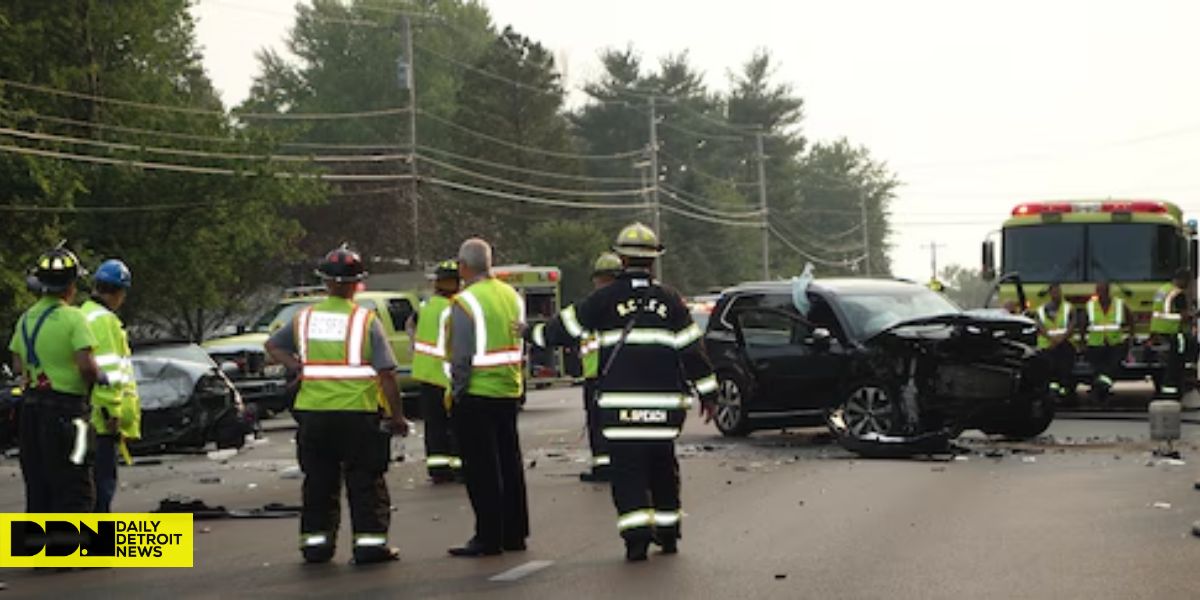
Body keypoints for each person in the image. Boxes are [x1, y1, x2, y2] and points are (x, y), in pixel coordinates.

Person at [523, 223, 718, 562]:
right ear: (654, 261)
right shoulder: (670, 300)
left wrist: (530, 333)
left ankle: (637, 540)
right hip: (664, 409)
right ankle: (669, 533)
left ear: (621, 259)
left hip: (620, 409)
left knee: (628, 471)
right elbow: (693, 352)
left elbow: (563, 330)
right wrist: (709, 395)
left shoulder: (605, 298)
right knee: (662, 466)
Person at [265, 245, 410, 565]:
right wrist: (397, 416)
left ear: (325, 282)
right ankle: (370, 546)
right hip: (358, 415)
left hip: (314, 414)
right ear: (357, 283)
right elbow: (386, 374)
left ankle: (316, 546)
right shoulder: (365, 320)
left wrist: (297, 367)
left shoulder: (306, 318)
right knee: (365, 483)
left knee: (318, 482)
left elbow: (272, 345)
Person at [446, 238, 529, 557]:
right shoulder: (511, 296)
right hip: (509, 389)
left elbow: (462, 356)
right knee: (510, 464)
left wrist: (457, 392)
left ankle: (488, 536)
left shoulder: (465, 302)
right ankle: (514, 533)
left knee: (482, 470)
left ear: (463, 266)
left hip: (477, 394)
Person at [7, 244, 103, 513]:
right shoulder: (74, 318)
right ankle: (70, 552)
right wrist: (97, 378)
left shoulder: (26, 319)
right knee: (76, 490)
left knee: (39, 490)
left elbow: (17, 364)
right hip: (69, 416)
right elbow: (86, 367)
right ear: (71, 285)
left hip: (31, 415)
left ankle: (39, 552)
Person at [81, 259, 141, 512]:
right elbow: (106, 371)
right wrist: (112, 413)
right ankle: (99, 545)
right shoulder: (104, 321)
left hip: (83, 417)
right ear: (118, 292)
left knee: (84, 486)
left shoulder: (82, 314)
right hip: (102, 421)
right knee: (101, 487)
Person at [409, 259, 462, 484]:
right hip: (447, 376)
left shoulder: (425, 306)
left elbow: (411, 328)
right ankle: (460, 468)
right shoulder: (456, 309)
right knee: (457, 425)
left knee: (434, 426)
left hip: (426, 375)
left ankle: (438, 469)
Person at [577, 252, 622, 483]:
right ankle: (612, 465)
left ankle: (603, 467)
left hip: (599, 376)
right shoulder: (617, 306)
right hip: (608, 374)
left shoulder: (595, 307)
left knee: (599, 423)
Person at [1081, 281, 1133, 404]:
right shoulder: (1090, 305)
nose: (1100, 294)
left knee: (1113, 367)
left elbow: (1131, 319)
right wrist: (1083, 342)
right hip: (1095, 344)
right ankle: (1101, 391)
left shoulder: (1119, 304)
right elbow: (1083, 324)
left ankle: (1097, 389)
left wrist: (1131, 336)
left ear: (1108, 291)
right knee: (1099, 369)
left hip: (1116, 343)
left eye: (1102, 291)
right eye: (1098, 291)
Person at [1150, 268, 1193, 400]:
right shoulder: (1178, 294)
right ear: (1182, 280)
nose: (1188, 284)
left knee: (1166, 364)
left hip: (1159, 331)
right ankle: (1172, 392)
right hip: (1174, 332)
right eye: (1187, 281)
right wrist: (1194, 315)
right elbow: (1184, 316)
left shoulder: (1163, 289)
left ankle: (1165, 390)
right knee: (1176, 364)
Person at [1035, 283, 1076, 402]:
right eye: (1053, 292)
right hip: (1047, 347)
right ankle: (1052, 392)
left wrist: (1061, 339)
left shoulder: (1069, 308)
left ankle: (1064, 392)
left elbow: (1072, 325)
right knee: (1049, 368)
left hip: (1065, 345)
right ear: (1049, 294)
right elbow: (1040, 327)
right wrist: (1051, 339)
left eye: (1058, 291)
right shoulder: (1040, 311)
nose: (1056, 294)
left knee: (1065, 368)